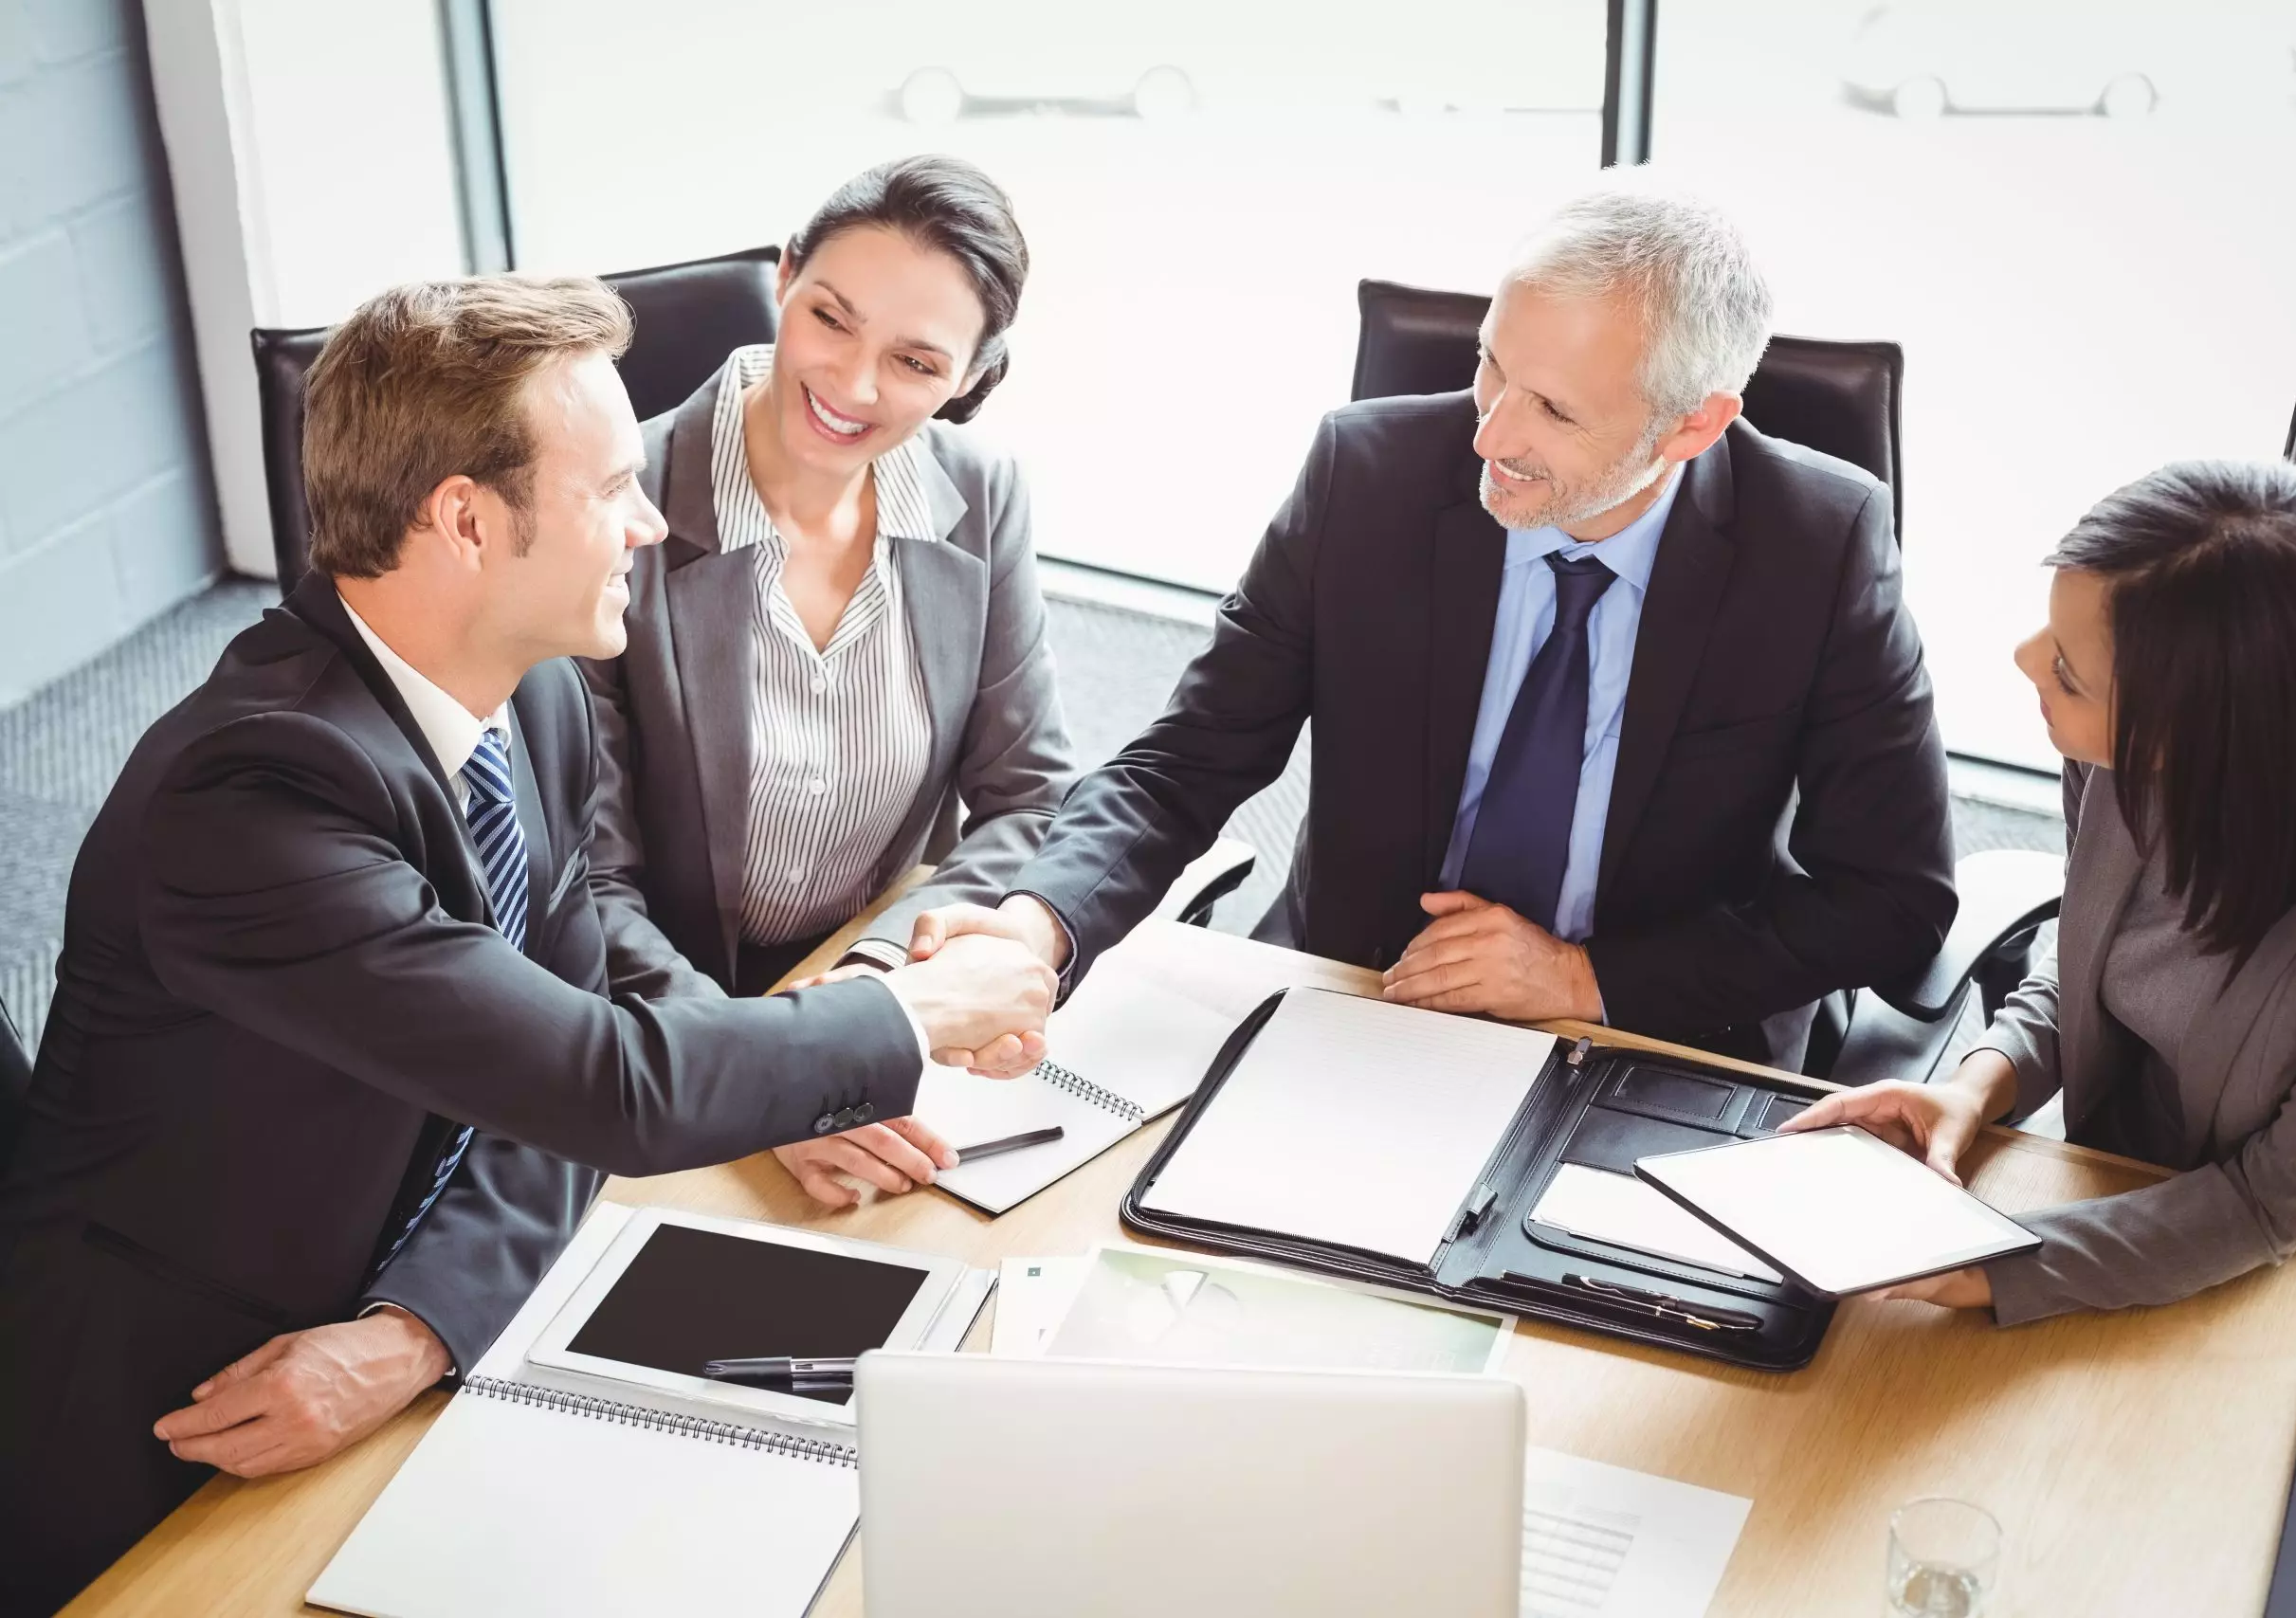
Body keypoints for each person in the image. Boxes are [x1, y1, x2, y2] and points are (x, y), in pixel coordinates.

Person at [0, 276, 1052, 1615]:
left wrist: (418, 1326)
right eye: (614, 486)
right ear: (463, 518)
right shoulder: (255, 799)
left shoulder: (531, 689)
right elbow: (597, 1081)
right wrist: (915, 1010)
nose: (653, 521)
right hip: (179, 1398)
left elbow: (570, 1038)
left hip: (393, 1309)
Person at [918, 172, 1957, 1070]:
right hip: (1359, 994)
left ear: (1695, 423)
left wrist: (1583, 978)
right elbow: (1185, 762)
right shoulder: (1365, 477)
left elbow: (1891, 896)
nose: (1490, 433)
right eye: (1492, 363)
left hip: (1656, 1035)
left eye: (1554, 410)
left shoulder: (1817, 544)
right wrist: (1034, 925)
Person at [1787, 459, 2296, 1323]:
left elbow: (2271, 1201)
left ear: (2203, 738)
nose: (2023, 661)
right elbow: (2088, 952)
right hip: (2114, 1179)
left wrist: (1998, 1267)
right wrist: (1978, 1082)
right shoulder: (2116, 752)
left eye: (2068, 671)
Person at [585, 155, 1073, 1212]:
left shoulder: (979, 496)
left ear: (969, 377)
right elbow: (586, 882)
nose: (853, 385)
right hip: (660, 1016)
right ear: (784, 276)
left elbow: (1029, 794)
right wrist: (774, 1072)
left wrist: (875, 988)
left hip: (875, 979)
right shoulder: (616, 511)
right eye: (830, 319)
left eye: (913, 361)